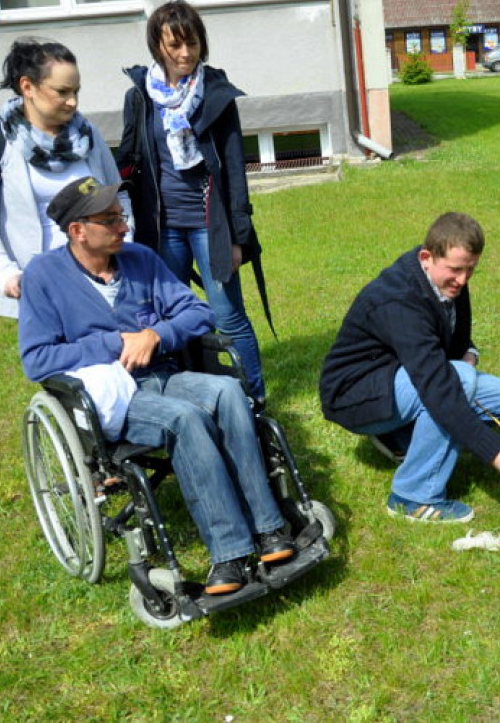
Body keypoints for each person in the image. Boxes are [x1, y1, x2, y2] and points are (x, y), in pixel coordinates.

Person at [19, 176, 299, 596]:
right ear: (78, 231)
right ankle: (229, 551)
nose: (124, 226)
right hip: (112, 398)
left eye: (122, 215)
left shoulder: (140, 259)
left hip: (164, 374)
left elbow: (197, 313)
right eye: (110, 219)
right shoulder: (44, 276)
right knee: (184, 419)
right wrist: (113, 344)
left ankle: (270, 528)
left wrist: (156, 336)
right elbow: (37, 358)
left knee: (228, 394)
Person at [320, 212, 500, 523]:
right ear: (427, 256)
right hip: (356, 395)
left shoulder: (447, 279)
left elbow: (456, 344)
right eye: (456, 270)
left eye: (471, 270)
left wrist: (467, 355)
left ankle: (401, 437)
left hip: (400, 376)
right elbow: (441, 389)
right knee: (459, 383)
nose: (463, 280)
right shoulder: (398, 300)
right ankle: (413, 495)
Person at [117, 0, 267, 402]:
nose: (185, 54)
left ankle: (254, 400)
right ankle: (194, 395)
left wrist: (237, 234)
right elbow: (129, 159)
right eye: (175, 45)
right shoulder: (140, 96)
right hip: (163, 228)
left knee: (227, 314)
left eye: (193, 44)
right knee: (170, 317)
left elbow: (235, 165)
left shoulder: (215, 92)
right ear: (158, 46)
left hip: (208, 224)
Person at [0, 38, 129, 318]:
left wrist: (126, 240)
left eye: (76, 91)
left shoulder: (88, 134)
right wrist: (6, 273)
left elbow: (118, 195)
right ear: (28, 86)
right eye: (62, 92)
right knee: (56, 360)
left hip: (101, 277)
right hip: (36, 287)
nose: (73, 102)